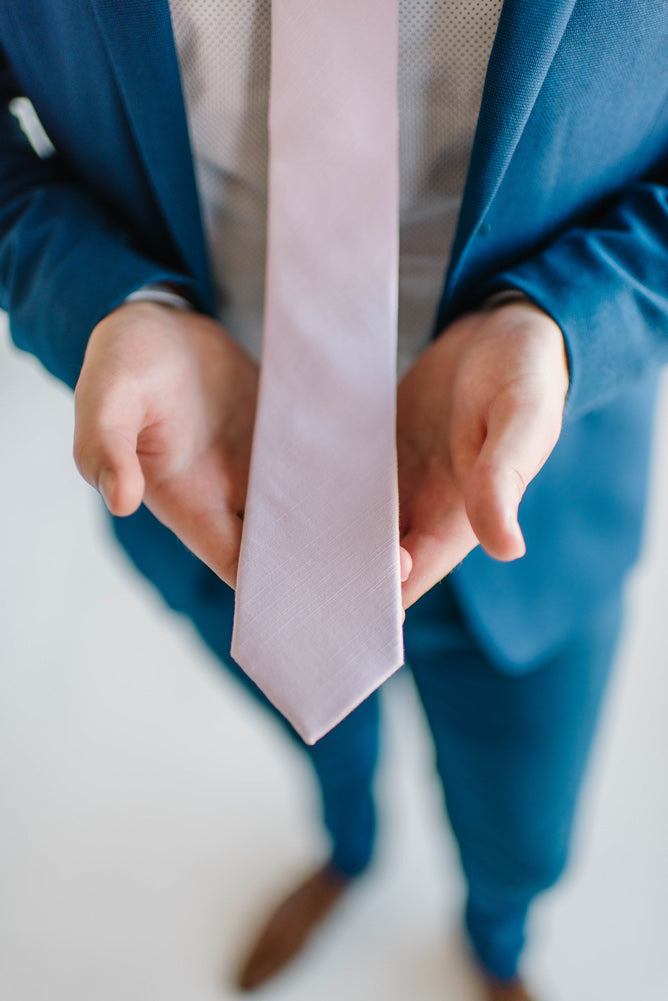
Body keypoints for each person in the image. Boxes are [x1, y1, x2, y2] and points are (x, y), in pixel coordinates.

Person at [1, 2, 666, 999]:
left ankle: (498, 940)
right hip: (208, 492)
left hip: (533, 498)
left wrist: (567, 324)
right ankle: (348, 849)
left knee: (525, 830)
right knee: (317, 738)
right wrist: (107, 301)